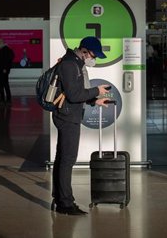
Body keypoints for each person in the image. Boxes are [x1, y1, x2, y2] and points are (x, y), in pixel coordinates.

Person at [51, 36, 111, 216]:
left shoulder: (74, 63)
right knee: (67, 160)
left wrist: (95, 100)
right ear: (85, 50)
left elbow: (76, 92)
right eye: (94, 54)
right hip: (68, 117)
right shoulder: (70, 64)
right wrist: (97, 91)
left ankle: (59, 198)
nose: (95, 58)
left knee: (62, 158)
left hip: (69, 114)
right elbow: (74, 94)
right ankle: (66, 204)